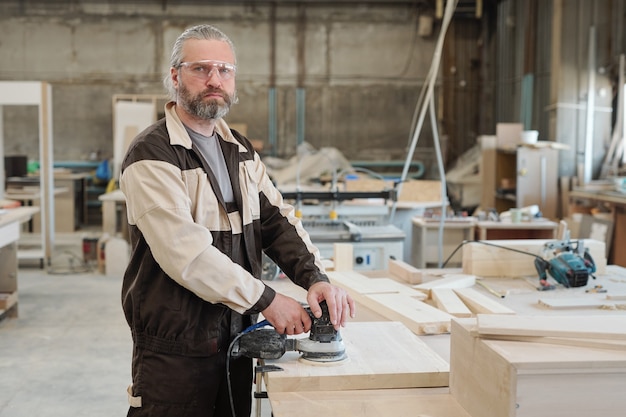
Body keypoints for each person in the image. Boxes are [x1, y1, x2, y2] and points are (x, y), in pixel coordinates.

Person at [119, 24, 356, 417]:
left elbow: (276, 219)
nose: (215, 80)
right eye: (201, 69)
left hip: (235, 340)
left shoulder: (238, 150)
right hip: (176, 350)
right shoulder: (152, 153)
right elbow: (187, 254)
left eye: (224, 70)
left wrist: (315, 278)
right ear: (175, 76)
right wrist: (267, 301)